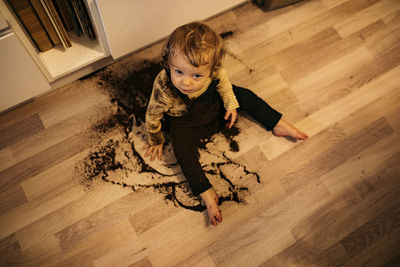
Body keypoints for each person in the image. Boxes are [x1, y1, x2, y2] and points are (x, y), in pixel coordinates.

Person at [142, 22, 308, 226]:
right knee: (183, 153)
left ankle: (276, 122)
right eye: (179, 72)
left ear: (212, 69)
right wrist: (156, 138)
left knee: (245, 95)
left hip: (213, 106)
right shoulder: (164, 86)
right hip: (185, 122)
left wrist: (231, 104)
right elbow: (153, 115)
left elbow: (225, 85)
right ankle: (206, 193)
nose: (186, 83)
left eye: (196, 75)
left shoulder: (216, 72)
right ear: (168, 62)